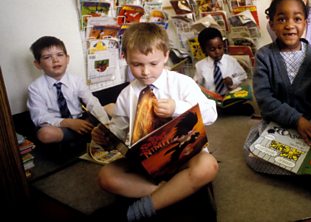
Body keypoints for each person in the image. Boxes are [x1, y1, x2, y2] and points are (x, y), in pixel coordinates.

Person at [92, 22, 218, 222]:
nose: (145, 72)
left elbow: (211, 113)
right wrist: (105, 136)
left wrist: (177, 107)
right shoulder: (126, 95)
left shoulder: (182, 82)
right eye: (137, 64)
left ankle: (142, 208)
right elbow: (119, 128)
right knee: (106, 176)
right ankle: (173, 193)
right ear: (125, 58)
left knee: (208, 165)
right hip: (145, 165)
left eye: (153, 64)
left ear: (166, 56)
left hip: (183, 156)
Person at [243, 0, 311, 175]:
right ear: (271, 24)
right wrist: (297, 120)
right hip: (277, 122)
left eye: (297, 19)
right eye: (281, 19)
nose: (289, 25)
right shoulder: (264, 56)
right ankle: (308, 170)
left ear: (306, 23)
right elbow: (265, 101)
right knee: (254, 155)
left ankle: (307, 167)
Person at [27, 36, 109, 150]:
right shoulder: (35, 88)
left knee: (111, 108)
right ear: (38, 64)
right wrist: (68, 123)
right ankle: (83, 136)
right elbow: (39, 117)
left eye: (60, 55)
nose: (55, 60)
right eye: (47, 57)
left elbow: (91, 101)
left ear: (67, 58)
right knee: (45, 134)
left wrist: (104, 123)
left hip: (82, 121)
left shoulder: (76, 80)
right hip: (59, 126)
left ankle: (91, 133)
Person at [193, 27, 254, 116]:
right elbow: (196, 86)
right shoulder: (200, 66)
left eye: (220, 47)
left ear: (223, 45)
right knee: (205, 108)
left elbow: (243, 76)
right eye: (212, 49)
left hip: (229, 96)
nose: (217, 52)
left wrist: (232, 81)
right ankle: (220, 111)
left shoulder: (231, 60)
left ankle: (221, 112)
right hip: (212, 100)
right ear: (203, 50)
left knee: (243, 104)